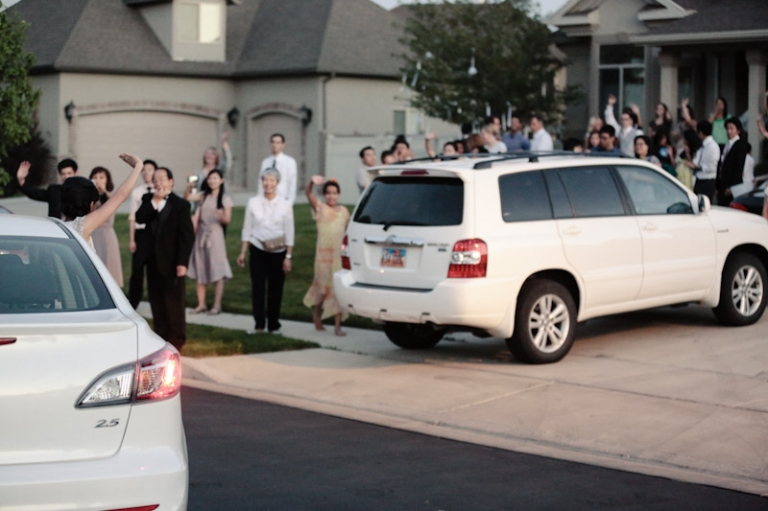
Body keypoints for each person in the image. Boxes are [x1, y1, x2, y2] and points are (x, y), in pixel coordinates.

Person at [135, 167, 195, 350]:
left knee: (174, 303)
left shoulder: (181, 205)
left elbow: (187, 236)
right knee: (157, 302)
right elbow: (140, 217)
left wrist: (183, 262)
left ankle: (177, 340)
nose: (158, 183)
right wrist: (154, 201)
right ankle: (161, 339)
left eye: (162, 179)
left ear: (171, 182)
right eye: (155, 179)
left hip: (172, 262)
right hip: (152, 261)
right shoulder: (148, 200)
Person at [237, 168, 295, 334]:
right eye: (265, 180)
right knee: (258, 288)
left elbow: (289, 231)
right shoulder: (253, 202)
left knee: (276, 289)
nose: (268, 184)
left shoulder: (285, 205)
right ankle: (259, 324)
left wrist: (288, 256)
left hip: (279, 251)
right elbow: (247, 228)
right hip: (258, 248)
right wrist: (243, 251)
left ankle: (274, 324)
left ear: (277, 183)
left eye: (272, 181)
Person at [58, 154, 143, 249]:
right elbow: (121, 195)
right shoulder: (81, 227)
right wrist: (138, 166)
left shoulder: (56, 226)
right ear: (91, 205)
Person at [302, 176, 350, 336]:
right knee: (322, 288)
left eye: (335, 193)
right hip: (323, 257)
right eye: (328, 193)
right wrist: (311, 183)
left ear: (339, 194)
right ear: (324, 195)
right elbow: (308, 193)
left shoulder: (343, 212)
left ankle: (337, 326)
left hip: (338, 257)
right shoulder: (320, 208)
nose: (331, 196)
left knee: (336, 290)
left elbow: (348, 232)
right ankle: (316, 313)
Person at [187, 169, 233, 315]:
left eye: (215, 178)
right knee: (201, 268)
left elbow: (228, 220)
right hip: (201, 236)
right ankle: (201, 304)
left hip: (215, 236)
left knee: (217, 270)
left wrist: (221, 216)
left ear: (221, 180)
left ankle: (216, 305)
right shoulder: (203, 196)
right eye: (210, 178)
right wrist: (189, 186)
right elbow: (187, 197)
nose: (212, 181)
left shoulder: (225, 199)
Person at [127, 159, 158, 309]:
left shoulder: (159, 190)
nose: (146, 173)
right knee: (137, 271)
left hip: (156, 235)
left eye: (150, 169)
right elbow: (132, 217)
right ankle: (133, 304)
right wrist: (132, 239)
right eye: (144, 170)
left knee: (155, 271)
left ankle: (156, 302)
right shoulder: (137, 192)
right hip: (141, 234)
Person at [89, 166, 123, 286]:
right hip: (92, 235)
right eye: (95, 177)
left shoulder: (110, 196)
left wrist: (103, 191)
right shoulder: (90, 197)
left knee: (110, 270)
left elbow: (116, 201)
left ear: (107, 180)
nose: (98, 180)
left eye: (102, 177)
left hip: (107, 236)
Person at [184, 131, 232, 205]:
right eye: (207, 153)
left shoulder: (220, 170)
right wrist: (190, 181)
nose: (209, 156)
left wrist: (224, 144)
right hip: (202, 204)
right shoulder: (198, 173)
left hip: (218, 203)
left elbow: (228, 161)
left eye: (212, 154)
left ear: (216, 157)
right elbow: (191, 190)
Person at [683, 120, 719, 201]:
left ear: (701, 132)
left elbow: (712, 167)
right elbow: (696, 161)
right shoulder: (702, 145)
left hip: (707, 181)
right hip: (698, 180)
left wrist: (697, 167)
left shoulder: (713, 146)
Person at [259, 133, 297, 205]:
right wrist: (260, 199)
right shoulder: (265, 162)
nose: (275, 145)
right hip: (267, 200)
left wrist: (289, 202)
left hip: (283, 199)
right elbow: (261, 182)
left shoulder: (290, 162)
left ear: (283, 145)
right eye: (273, 142)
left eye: (278, 142)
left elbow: (292, 183)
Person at [717, 118, 749, 203]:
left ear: (738, 130)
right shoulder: (727, 144)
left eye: (731, 128)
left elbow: (739, 168)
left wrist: (732, 187)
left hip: (732, 187)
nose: (729, 131)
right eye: (727, 129)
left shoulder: (740, 145)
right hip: (723, 185)